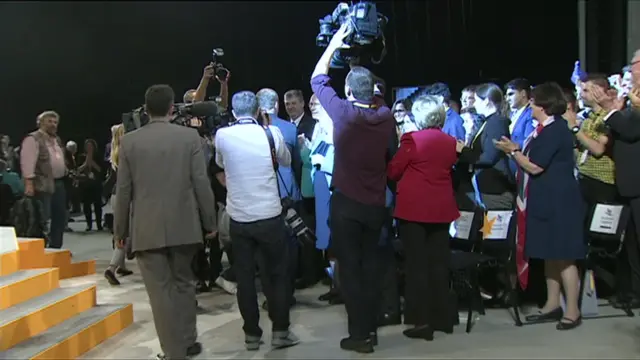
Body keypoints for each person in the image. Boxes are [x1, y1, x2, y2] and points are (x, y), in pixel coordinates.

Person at [114, 84, 217, 360]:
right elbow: (201, 184)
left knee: (160, 294)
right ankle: (187, 341)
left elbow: (123, 190)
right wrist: (210, 222)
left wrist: (120, 231)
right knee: (184, 285)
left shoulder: (130, 141)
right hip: (184, 226)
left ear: (146, 110)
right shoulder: (189, 138)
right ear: (173, 107)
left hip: (147, 229)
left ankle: (174, 353)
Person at [310, 23, 395, 354]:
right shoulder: (385, 116)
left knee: (351, 272)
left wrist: (334, 43)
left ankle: (359, 335)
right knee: (371, 268)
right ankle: (370, 329)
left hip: (347, 205)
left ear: (347, 92)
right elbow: (371, 95)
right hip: (375, 205)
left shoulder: (344, 114)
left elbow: (318, 77)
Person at [495, 82, 585, 331]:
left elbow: (535, 166)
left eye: (534, 102)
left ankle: (573, 310)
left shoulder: (557, 130)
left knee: (564, 256)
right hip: (545, 199)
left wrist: (513, 151)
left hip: (560, 202)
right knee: (550, 253)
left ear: (544, 106)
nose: (531, 106)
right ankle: (552, 304)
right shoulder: (543, 130)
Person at [214, 90, 299, 350]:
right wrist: (269, 128)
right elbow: (285, 160)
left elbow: (220, 162)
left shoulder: (223, 135)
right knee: (277, 275)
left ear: (233, 112)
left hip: (239, 218)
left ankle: (252, 334)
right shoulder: (270, 133)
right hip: (270, 215)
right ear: (257, 111)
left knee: (245, 278)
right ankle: (281, 332)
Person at [387, 95, 459, 340]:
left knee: (416, 266)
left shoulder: (411, 140)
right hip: (441, 209)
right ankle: (443, 319)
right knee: (439, 264)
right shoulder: (450, 141)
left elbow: (394, 170)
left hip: (415, 210)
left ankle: (422, 321)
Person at [457, 83, 514, 211]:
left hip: (495, 191)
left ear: (487, 101)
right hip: (485, 190)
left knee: (493, 231)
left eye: (476, 100)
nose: (474, 104)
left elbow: (489, 157)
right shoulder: (487, 122)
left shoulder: (497, 123)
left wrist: (463, 150)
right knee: (485, 230)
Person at [20, 111, 67, 249]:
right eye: (50, 121)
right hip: (41, 184)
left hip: (58, 183)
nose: (53, 125)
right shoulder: (33, 139)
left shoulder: (56, 140)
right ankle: (40, 250)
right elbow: (27, 162)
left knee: (60, 219)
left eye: (55, 122)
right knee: (42, 219)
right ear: (40, 123)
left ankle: (55, 249)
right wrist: (29, 183)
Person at [103, 124, 133, 286]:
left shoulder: (114, 151)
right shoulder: (127, 152)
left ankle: (121, 266)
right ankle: (112, 267)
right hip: (126, 196)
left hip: (115, 195)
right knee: (124, 234)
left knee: (120, 230)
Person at [77, 139, 104, 231]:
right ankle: (89, 224)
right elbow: (78, 170)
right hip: (85, 184)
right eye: (87, 146)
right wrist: (85, 164)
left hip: (96, 184)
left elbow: (101, 170)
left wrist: (92, 162)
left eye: (91, 146)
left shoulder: (98, 156)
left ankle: (99, 224)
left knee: (98, 205)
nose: (89, 148)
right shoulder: (81, 157)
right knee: (86, 205)